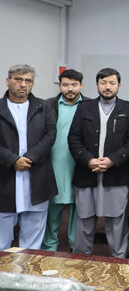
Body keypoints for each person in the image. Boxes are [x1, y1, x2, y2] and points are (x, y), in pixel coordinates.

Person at [68, 68, 129, 258]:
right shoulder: (84, 107)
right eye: (103, 83)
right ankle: (80, 259)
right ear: (97, 84)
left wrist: (112, 160)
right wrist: (88, 160)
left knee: (117, 220)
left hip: (115, 173)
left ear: (119, 85)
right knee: (84, 218)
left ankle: (119, 260)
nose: (107, 87)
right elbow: (74, 138)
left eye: (112, 83)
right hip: (87, 172)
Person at [0, 64, 57, 251]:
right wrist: (12, 160)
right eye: (18, 79)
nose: (23, 84)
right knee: (2, 238)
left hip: (37, 175)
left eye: (28, 81)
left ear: (32, 84)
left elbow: (50, 134)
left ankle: (26, 276)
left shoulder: (44, 106)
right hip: (5, 178)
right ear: (8, 81)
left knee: (32, 240)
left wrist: (29, 158)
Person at [42, 68, 84, 251]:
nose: (70, 89)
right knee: (52, 208)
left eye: (74, 85)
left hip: (81, 164)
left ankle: (77, 248)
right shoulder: (47, 105)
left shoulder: (89, 105)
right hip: (54, 163)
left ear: (81, 85)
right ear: (59, 85)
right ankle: (49, 248)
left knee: (79, 208)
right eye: (65, 85)